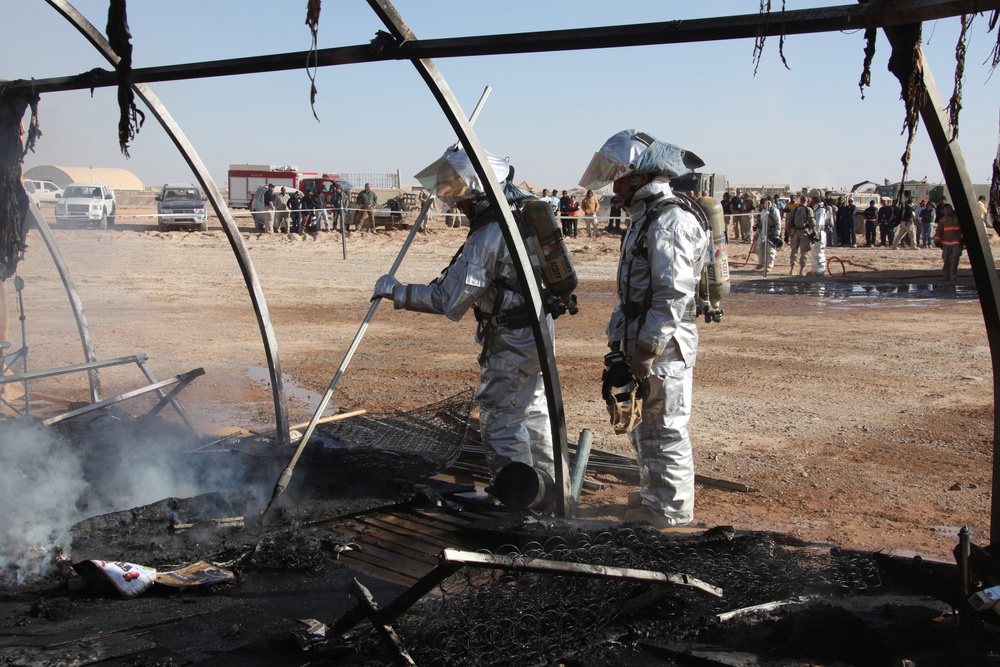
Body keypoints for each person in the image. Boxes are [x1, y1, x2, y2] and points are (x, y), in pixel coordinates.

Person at [372, 145, 555, 489]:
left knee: (502, 419)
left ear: (480, 193)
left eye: (460, 194)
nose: (456, 203)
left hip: (511, 340)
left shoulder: (489, 236)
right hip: (536, 330)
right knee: (531, 411)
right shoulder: (519, 215)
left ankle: (515, 500)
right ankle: (547, 490)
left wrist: (396, 292)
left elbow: (448, 298)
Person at [579, 129, 711, 528]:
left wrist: (647, 350)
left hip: (664, 346)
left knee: (665, 426)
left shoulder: (670, 219)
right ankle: (656, 497)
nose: (612, 186)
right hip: (641, 338)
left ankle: (670, 512)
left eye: (617, 177)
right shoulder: (648, 217)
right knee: (644, 427)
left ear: (638, 176)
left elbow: (673, 293)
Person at [784, 195, 815, 275]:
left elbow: (788, 222)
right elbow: (812, 222)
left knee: (794, 251)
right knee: (804, 251)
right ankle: (802, 270)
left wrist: (789, 232)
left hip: (795, 232)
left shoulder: (794, 210)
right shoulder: (808, 210)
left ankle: (792, 269)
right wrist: (814, 231)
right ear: (807, 202)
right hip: (804, 232)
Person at [934, 202, 964, 282]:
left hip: (957, 243)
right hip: (946, 243)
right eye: (945, 211)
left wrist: (962, 237)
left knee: (954, 259)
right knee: (946, 259)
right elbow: (939, 231)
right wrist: (937, 240)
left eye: (948, 210)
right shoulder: (943, 220)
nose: (947, 212)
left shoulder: (958, 218)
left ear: (951, 209)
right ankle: (946, 276)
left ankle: (953, 277)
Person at [752, 196, 782, 271]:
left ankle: (769, 265)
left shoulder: (773, 210)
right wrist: (756, 226)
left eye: (764, 205)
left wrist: (777, 233)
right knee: (759, 247)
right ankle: (761, 262)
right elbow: (757, 218)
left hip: (771, 232)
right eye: (762, 206)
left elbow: (778, 222)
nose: (763, 207)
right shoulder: (760, 210)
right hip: (762, 231)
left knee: (770, 249)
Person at [808, 195, 829, 276]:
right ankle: (815, 270)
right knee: (814, 251)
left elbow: (819, 223)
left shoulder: (820, 210)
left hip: (819, 233)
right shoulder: (817, 210)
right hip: (817, 232)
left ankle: (820, 270)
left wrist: (815, 232)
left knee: (819, 252)